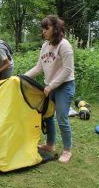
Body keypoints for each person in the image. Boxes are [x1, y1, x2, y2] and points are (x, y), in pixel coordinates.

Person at [24, 15, 75, 163]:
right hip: (50, 87)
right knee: (48, 116)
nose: (44, 31)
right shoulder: (45, 46)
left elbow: (67, 70)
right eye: (43, 28)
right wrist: (22, 77)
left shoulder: (64, 45)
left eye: (46, 28)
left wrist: (51, 85)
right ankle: (50, 145)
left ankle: (67, 150)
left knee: (62, 118)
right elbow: (39, 67)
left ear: (55, 28)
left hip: (64, 86)